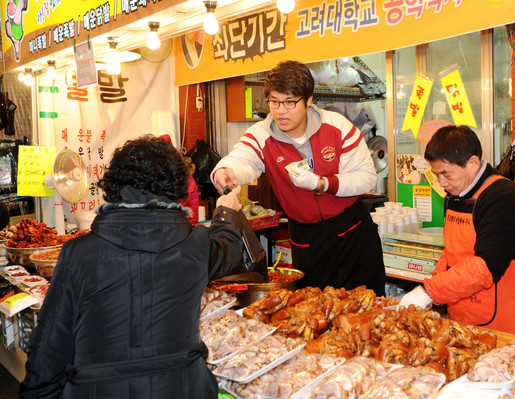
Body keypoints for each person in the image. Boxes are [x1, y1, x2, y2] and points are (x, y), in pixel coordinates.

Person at [20, 135, 246, 398]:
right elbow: (229, 251)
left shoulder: (78, 252)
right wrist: (226, 212)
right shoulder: (195, 244)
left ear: (114, 184)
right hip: (182, 388)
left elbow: (50, 344)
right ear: (175, 187)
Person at [211, 60, 385, 296]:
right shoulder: (261, 135)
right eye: (274, 101)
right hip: (308, 239)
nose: (281, 111)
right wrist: (225, 171)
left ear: (308, 100)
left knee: (369, 309)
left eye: (290, 102)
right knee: (313, 314)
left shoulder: (337, 127)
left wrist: (321, 183)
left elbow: (366, 178)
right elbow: (241, 160)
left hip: (352, 233)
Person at [400, 125, 515, 338]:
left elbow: (484, 267)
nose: (442, 183)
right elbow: (452, 251)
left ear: (473, 163)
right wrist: (434, 284)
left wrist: (429, 292)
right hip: (462, 317)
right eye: (436, 175)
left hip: (503, 323)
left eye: (446, 174)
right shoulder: (456, 194)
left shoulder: (503, 197)